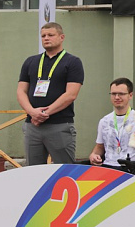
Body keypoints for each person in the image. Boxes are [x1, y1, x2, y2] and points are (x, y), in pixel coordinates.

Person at [16, 22, 84, 165]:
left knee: (64, 169)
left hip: (59, 124)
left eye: (51, 35)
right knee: (33, 170)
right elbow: (21, 91)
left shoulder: (73, 62)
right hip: (33, 125)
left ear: (61, 37)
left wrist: (44, 113)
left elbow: (71, 94)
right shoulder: (31, 61)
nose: (46, 38)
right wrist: (32, 112)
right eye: (43, 36)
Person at [89, 78, 135, 167]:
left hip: (132, 168)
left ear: (130, 95)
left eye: (121, 94)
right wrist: (93, 155)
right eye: (113, 94)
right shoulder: (104, 121)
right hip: (109, 167)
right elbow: (100, 147)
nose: (117, 97)